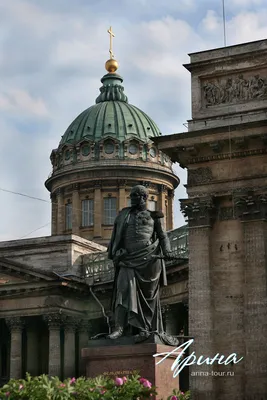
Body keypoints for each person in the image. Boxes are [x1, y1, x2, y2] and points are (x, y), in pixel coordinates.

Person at [107, 184, 175, 341]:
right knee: (122, 291)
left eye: (135, 196)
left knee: (148, 297)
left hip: (149, 260)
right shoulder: (124, 215)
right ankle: (119, 328)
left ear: (144, 197)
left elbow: (163, 236)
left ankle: (143, 328)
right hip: (127, 260)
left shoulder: (155, 216)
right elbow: (116, 239)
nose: (132, 200)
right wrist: (117, 253)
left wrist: (167, 251)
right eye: (131, 196)